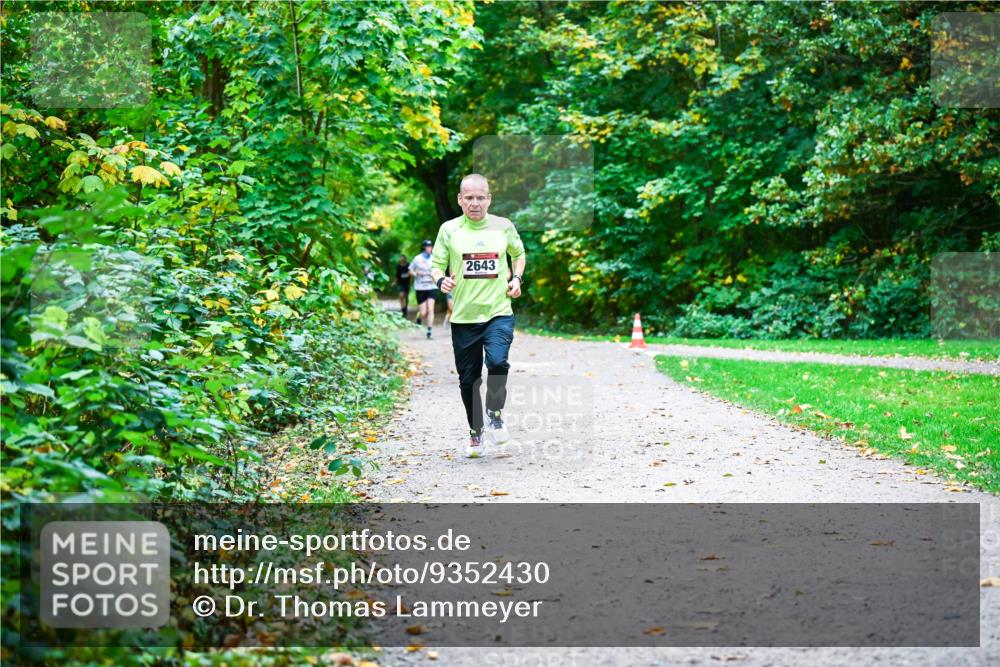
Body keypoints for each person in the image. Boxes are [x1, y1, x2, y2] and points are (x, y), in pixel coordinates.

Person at [431, 174, 526, 458]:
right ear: (460, 200)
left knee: (498, 362)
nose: (475, 203)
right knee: (468, 380)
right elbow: (436, 265)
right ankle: (476, 432)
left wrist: (517, 278)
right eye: (469, 198)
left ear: (489, 199)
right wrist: (440, 281)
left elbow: (518, 254)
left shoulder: (503, 226)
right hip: (463, 317)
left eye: (480, 197)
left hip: (498, 312)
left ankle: (494, 412)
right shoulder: (449, 230)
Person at [410, 240, 437, 338]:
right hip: (420, 288)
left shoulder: (434, 258)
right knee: (423, 312)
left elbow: (439, 269)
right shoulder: (417, 259)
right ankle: (419, 317)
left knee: (431, 308)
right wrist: (415, 273)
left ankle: (429, 331)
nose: (430, 248)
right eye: (428, 246)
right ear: (424, 248)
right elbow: (410, 270)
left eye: (431, 246)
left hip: (432, 287)